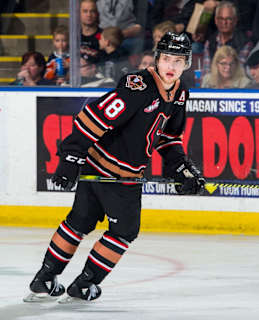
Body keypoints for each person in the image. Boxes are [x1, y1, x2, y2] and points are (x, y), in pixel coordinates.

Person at [23, 32, 205, 304]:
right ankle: (83, 285)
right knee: (124, 232)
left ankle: (44, 279)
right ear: (157, 59)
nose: (171, 66)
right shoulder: (138, 86)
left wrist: (180, 167)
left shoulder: (179, 94)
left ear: (187, 64)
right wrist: (71, 156)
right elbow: (93, 116)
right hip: (115, 176)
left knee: (78, 222)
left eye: (178, 61)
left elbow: (168, 138)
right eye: (166, 58)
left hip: (102, 170)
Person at [201, 1, 252, 77]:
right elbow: (206, 73)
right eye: (220, 18)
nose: (224, 22)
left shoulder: (245, 43)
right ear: (215, 20)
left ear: (235, 20)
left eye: (228, 19)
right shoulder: (210, 42)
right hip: (213, 86)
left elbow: (240, 73)